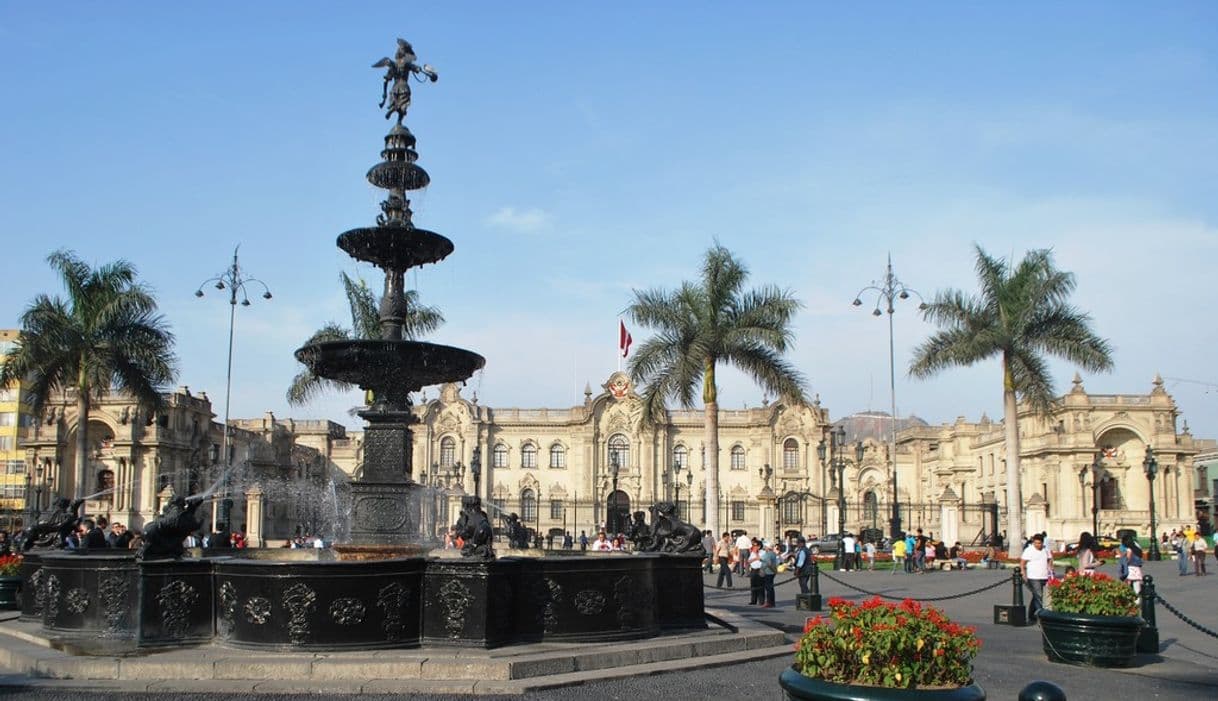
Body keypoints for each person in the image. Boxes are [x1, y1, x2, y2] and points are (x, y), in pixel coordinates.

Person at [1020, 533, 1052, 622]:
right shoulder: (1029, 550)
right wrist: (1023, 573)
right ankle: (1040, 616)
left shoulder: (1046, 550)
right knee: (1039, 595)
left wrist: (1050, 569)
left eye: (1039, 543)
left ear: (1042, 543)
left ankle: (1031, 615)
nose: (1037, 545)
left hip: (1044, 576)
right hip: (1033, 576)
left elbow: (1049, 560)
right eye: (1035, 543)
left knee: (1036, 596)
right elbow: (1022, 563)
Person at [759, 543, 779, 608]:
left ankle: (769, 602)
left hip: (768, 572)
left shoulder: (768, 554)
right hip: (771, 572)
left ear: (768, 547)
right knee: (771, 588)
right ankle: (772, 602)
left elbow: (768, 563)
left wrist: (762, 570)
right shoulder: (773, 553)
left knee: (768, 588)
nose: (764, 547)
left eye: (765, 546)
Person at [747, 539, 764, 605]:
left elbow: (761, 559)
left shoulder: (763, 552)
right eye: (753, 545)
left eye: (755, 545)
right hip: (753, 569)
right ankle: (753, 600)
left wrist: (756, 554)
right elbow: (749, 561)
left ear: (759, 546)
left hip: (760, 569)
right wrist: (755, 558)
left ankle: (761, 601)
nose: (754, 546)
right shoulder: (752, 552)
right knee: (753, 585)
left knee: (760, 586)